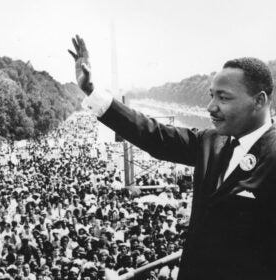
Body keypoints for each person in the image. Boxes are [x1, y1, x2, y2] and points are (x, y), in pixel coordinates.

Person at [68, 35, 276, 280]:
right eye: (211, 95)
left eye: (224, 97)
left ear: (259, 101)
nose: (210, 106)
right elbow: (154, 136)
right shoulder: (211, 141)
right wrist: (92, 92)